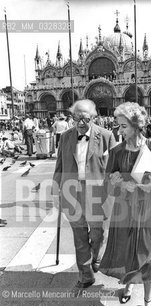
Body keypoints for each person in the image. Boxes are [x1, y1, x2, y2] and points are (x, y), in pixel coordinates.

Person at [99, 102, 151, 306]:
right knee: (126, 250)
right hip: (123, 211)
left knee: (147, 255)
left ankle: (148, 300)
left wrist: (143, 186)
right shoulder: (117, 151)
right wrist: (120, 184)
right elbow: (108, 179)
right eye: (119, 126)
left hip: (146, 211)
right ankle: (128, 285)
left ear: (137, 126)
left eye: (124, 127)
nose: (119, 131)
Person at [52, 99, 116, 291]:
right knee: (79, 237)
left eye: (85, 119)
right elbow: (60, 167)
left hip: (97, 196)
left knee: (97, 234)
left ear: (94, 118)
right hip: (72, 193)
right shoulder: (65, 137)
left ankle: (95, 256)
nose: (80, 123)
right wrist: (55, 191)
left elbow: (113, 169)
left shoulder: (106, 136)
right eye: (76, 118)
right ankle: (86, 275)